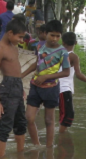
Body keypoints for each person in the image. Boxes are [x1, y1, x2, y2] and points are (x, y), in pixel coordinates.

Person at [21, 19, 69, 148]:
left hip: (51, 88)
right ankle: (37, 145)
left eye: (57, 36)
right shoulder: (39, 46)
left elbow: (66, 72)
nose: (54, 38)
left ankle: (49, 148)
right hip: (35, 86)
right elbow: (36, 63)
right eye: (52, 35)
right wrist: (21, 75)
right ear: (45, 34)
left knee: (49, 120)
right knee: (29, 118)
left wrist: (47, 76)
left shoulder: (63, 52)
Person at [0, 18, 28, 157]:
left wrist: (21, 88)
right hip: (8, 87)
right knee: (5, 125)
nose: (21, 40)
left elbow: (16, 68)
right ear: (10, 33)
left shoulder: (13, 46)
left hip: (17, 86)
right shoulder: (0, 49)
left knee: (21, 123)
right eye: (20, 37)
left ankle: (20, 156)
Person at [58, 32, 86, 135]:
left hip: (57, 87)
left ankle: (61, 135)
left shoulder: (58, 53)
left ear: (63, 42)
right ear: (76, 42)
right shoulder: (73, 56)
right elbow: (78, 74)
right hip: (64, 88)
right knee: (68, 115)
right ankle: (61, 137)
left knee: (65, 114)